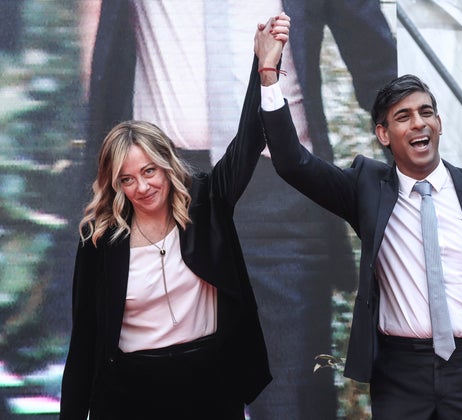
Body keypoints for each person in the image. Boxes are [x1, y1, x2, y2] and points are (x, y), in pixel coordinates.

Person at [79, 2, 396, 418]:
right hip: (166, 197)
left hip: (282, 193)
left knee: (291, 399)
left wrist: (417, 186)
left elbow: (375, 63)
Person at [261, 73, 462, 419]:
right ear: (384, 135)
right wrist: (269, 78)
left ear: (439, 122)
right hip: (401, 376)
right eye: (403, 117)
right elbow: (292, 162)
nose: (419, 123)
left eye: (426, 112)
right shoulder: (367, 189)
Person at [59, 14, 290, 419]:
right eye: (127, 179)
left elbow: (249, 139)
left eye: (149, 171)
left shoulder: (207, 203)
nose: (142, 187)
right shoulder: (100, 240)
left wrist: (265, 68)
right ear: (115, 185)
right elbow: (84, 347)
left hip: (208, 385)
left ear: (167, 165)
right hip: (130, 395)